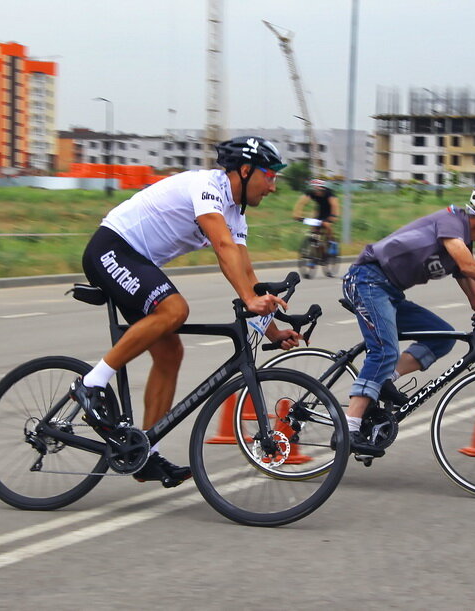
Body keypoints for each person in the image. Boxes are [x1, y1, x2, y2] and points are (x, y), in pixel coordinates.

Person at [71, 136, 302, 487]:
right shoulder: (207, 186)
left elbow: (246, 275)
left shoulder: (235, 213)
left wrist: (271, 329)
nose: (273, 186)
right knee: (175, 309)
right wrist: (250, 298)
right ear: (244, 170)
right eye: (269, 175)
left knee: (170, 354)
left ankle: (145, 452)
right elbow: (222, 247)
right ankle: (92, 382)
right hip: (112, 248)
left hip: (137, 261)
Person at [341, 186, 475, 457]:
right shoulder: (451, 222)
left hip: (389, 292)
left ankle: (383, 381)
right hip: (366, 280)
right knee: (384, 351)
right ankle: (348, 429)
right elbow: (469, 266)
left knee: (443, 337)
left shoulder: (462, 246)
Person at [292, 179, 341, 274]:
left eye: (318, 191)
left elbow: (335, 206)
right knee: (314, 231)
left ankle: (332, 244)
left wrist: (332, 218)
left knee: (327, 226)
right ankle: (314, 254)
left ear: (322, 190)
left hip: (330, 212)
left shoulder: (329, 194)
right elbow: (301, 203)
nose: (316, 193)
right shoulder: (311, 193)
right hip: (320, 212)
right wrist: (297, 214)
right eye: (315, 191)